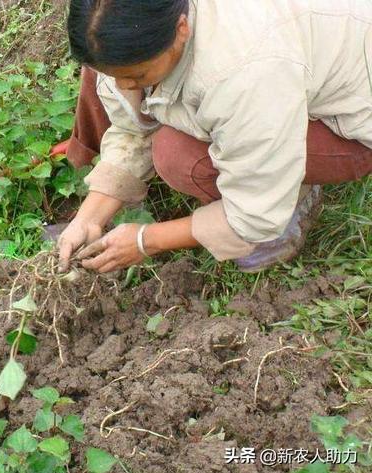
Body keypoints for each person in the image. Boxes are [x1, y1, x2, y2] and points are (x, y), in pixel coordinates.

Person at [56, 0, 372, 274]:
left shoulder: (245, 71)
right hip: (290, 77)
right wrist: (89, 218)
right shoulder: (124, 33)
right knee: (108, 70)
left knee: (180, 156)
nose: (126, 86)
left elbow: (252, 215)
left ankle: (292, 201)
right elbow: (132, 127)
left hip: (353, 122)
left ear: (181, 29)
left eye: (138, 76)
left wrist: (145, 240)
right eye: (117, 77)